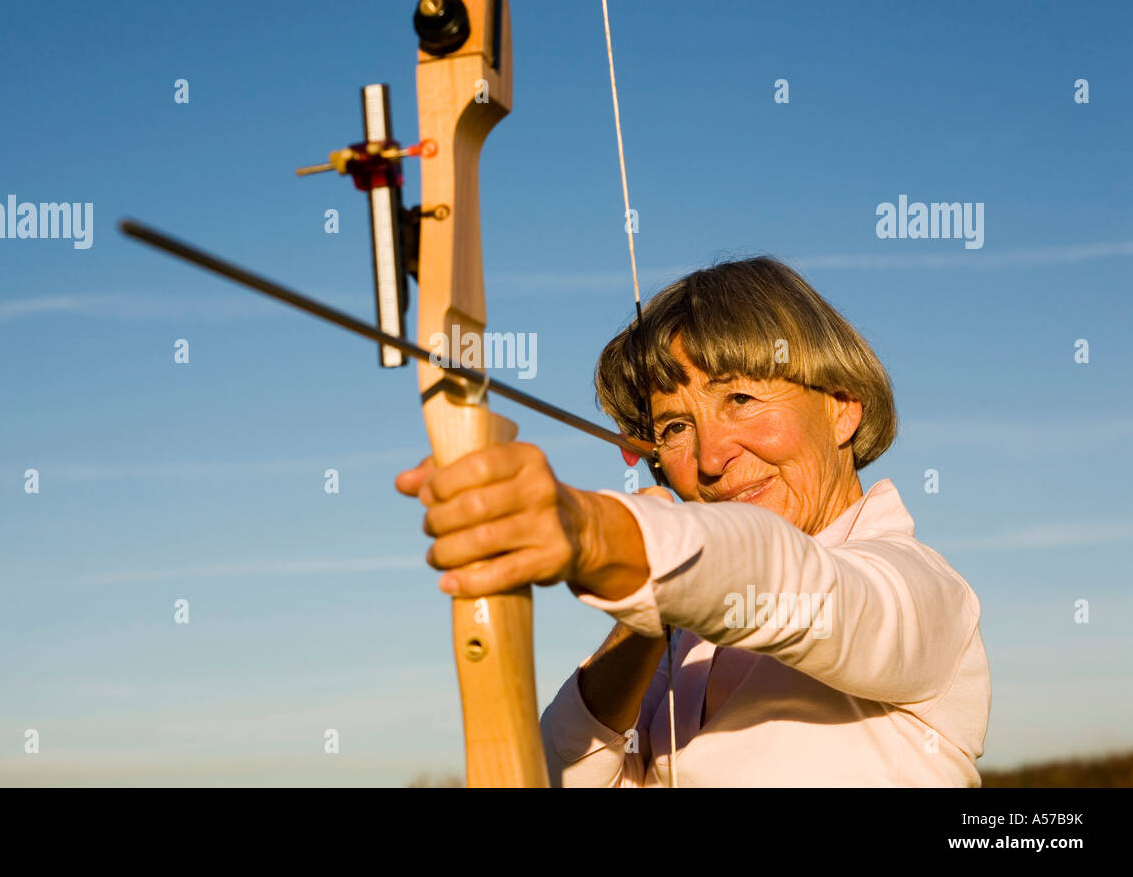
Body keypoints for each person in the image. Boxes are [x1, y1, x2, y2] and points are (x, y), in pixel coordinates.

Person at [395, 256, 990, 786]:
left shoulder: (922, 593)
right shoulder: (685, 642)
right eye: (676, 427)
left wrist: (600, 534)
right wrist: (645, 614)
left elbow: (802, 585)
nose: (710, 458)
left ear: (841, 409)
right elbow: (549, 775)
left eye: (741, 400)